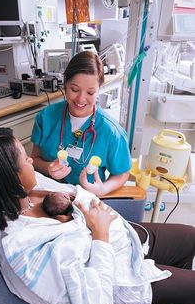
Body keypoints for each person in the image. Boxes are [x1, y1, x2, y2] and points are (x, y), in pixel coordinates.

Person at [0, 127, 195, 304]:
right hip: (120, 281)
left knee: (190, 238)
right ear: (10, 178)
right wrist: (100, 232)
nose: (32, 161)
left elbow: (77, 196)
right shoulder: (23, 248)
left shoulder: (25, 191)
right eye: (25, 160)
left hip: (124, 239)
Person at [30, 51, 131, 196]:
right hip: (48, 197)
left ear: (98, 91)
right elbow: (33, 159)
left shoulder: (111, 131)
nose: (81, 99)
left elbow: (122, 173)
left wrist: (103, 189)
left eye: (90, 93)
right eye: (74, 90)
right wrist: (48, 168)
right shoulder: (46, 118)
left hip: (86, 200)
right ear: (65, 84)